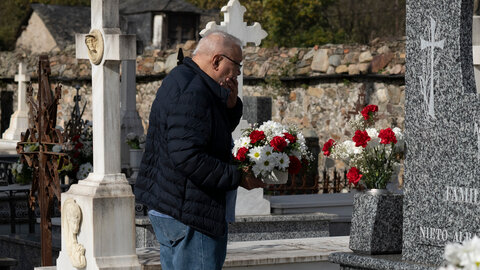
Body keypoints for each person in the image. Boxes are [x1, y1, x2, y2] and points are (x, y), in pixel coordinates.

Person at [134, 31, 265, 270]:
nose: (237, 73)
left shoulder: (187, 79)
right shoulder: (193, 91)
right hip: (191, 215)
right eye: (236, 66)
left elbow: (206, 132)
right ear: (216, 60)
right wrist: (238, 176)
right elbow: (188, 156)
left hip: (175, 206)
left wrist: (231, 106)